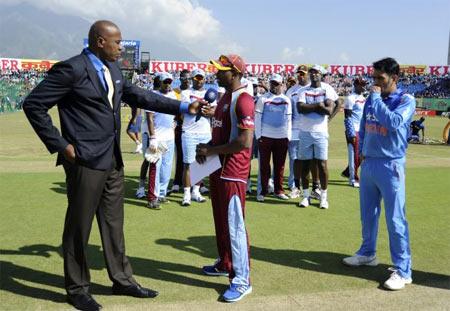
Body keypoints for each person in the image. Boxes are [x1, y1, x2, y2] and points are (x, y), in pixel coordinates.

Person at [22, 20, 200, 311]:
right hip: (83, 160)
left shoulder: (115, 69)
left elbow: (139, 96)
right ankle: (77, 289)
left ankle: (121, 279)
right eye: (117, 42)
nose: (122, 47)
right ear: (99, 41)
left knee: (114, 225)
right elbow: (33, 104)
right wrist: (62, 145)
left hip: (112, 160)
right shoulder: (72, 69)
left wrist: (182, 107)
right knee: (79, 227)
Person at [343, 57, 415, 291]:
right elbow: (363, 126)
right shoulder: (373, 100)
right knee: (368, 214)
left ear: (394, 78)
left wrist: (374, 98)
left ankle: (403, 271)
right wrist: (362, 153)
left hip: (391, 164)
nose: (375, 82)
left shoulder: (406, 100)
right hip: (371, 163)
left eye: (380, 78)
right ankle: (367, 253)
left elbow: (393, 122)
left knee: (395, 219)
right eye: (373, 77)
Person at [196, 54, 254, 302]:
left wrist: (211, 151)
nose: (217, 73)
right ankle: (225, 263)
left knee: (234, 225)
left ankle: (242, 280)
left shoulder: (244, 100)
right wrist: (207, 147)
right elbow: (221, 135)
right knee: (220, 221)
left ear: (236, 73)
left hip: (234, 172)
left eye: (222, 70)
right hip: (218, 168)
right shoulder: (224, 99)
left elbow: (244, 142)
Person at [297, 65, 339, 209]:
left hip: (320, 132)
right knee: (305, 165)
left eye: (317, 73)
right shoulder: (303, 90)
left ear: (322, 75)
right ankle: (306, 196)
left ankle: (324, 197)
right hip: (305, 132)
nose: (314, 75)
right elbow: (300, 108)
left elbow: (329, 110)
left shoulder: (327, 89)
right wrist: (318, 105)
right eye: (312, 72)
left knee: (322, 165)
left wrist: (326, 114)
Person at [180, 68, 216, 206]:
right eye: (196, 78)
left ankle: (196, 191)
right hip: (189, 132)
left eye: (201, 78)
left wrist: (208, 111)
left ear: (204, 79)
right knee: (188, 164)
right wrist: (199, 107)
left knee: (202, 163)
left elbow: (212, 113)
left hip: (204, 132)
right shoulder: (186, 93)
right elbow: (188, 110)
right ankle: (186, 194)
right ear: (193, 79)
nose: (199, 80)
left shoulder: (211, 94)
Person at [255, 73, 292, 202]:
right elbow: (258, 118)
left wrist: (288, 136)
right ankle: (263, 191)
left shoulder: (286, 100)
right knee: (264, 166)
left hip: (282, 137)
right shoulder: (263, 99)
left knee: (280, 165)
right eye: (272, 83)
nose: (274, 86)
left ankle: (279, 190)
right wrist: (258, 135)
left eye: (276, 84)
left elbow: (288, 119)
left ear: (282, 84)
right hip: (265, 136)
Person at [143, 72, 177, 209]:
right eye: (165, 82)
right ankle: (152, 197)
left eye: (170, 82)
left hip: (170, 137)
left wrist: (175, 122)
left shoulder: (173, 95)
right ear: (160, 82)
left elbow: (175, 113)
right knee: (155, 168)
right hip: (158, 138)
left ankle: (162, 193)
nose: (168, 84)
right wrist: (152, 137)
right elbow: (150, 118)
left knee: (166, 168)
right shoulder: (153, 96)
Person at [285, 66, 310, 199]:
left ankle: (307, 186)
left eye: (303, 74)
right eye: (299, 74)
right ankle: (293, 185)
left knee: (308, 159)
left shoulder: (312, 88)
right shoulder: (291, 91)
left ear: (307, 75)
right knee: (293, 159)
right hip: (294, 130)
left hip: (308, 130)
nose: (300, 76)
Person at [341, 77, 367, 187]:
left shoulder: (363, 98)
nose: (363, 86)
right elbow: (347, 116)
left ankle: (348, 171)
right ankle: (353, 179)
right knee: (354, 154)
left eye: (364, 84)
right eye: (361, 84)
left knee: (362, 155)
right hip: (353, 129)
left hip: (363, 130)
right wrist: (350, 133)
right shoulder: (350, 98)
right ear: (356, 85)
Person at [171, 69, 191, 193]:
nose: (187, 80)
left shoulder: (193, 91)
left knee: (193, 157)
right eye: (184, 78)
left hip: (193, 128)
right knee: (180, 156)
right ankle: (177, 181)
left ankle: (195, 183)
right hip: (179, 127)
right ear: (180, 78)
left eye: (189, 78)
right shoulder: (176, 92)